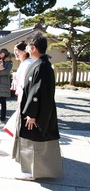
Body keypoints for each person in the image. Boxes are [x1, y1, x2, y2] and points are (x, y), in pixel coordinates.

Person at [13, 32, 63, 181]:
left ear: (34, 48)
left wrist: (32, 114)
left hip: (37, 113)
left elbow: (37, 94)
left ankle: (31, 173)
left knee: (33, 143)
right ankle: (35, 170)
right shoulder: (41, 64)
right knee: (35, 142)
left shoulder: (41, 66)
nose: (27, 49)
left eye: (28, 46)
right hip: (39, 111)